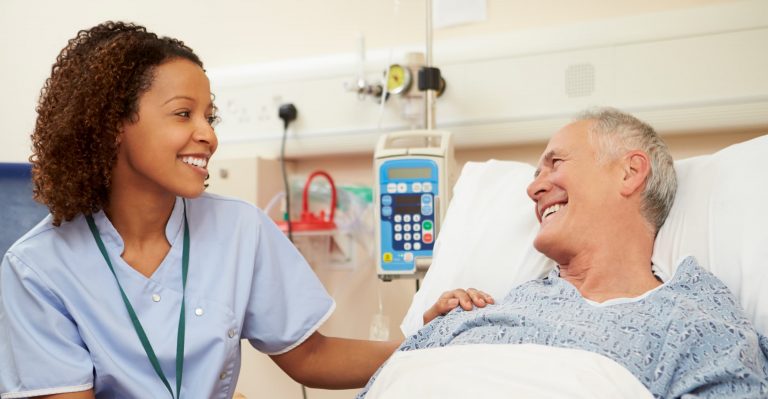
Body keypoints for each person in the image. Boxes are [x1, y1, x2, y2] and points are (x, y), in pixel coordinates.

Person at [0, 21, 399, 398]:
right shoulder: (37, 269)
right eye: (182, 113)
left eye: (210, 117)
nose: (208, 135)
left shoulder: (241, 228)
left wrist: (428, 343)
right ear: (113, 125)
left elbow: (313, 356)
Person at [358, 108, 768, 398]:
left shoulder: (693, 322)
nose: (533, 188)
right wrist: (435, 336)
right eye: (537, 174)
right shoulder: (478, 312)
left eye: (555, 163)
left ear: (629, 172)